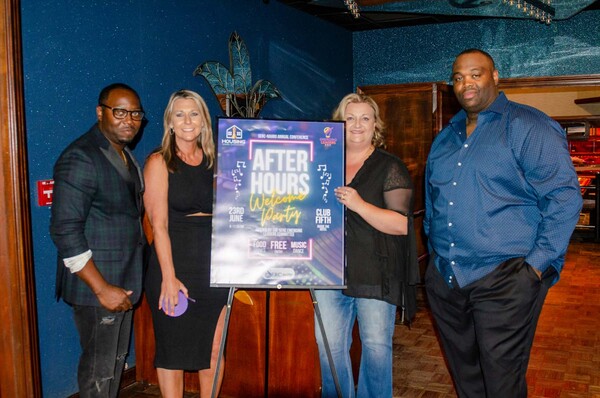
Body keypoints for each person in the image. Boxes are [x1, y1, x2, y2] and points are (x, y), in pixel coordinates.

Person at [423, 49, 583, 398]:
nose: (466, 83)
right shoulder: (445, 138)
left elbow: (565, 197)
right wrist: (433, 259)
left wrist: (535, 269)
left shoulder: (528, 125)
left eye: (476, 74)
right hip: (447, 277)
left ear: (496, 76)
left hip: (505, 277)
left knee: (501, 383)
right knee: (465, 376)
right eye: (459, 77)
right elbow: (433, 202)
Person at [314, 93, 419, 398]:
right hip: (328, 271)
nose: (357, 125)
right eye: (350, 118)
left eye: (365, 118)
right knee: (329, 347)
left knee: (375, 347)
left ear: (376, 125)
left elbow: (401, 225)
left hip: (376, 271)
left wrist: (359, 204)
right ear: (339, 123)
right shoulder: (322, 161)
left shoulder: (390, 166)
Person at [49, 83, 146, 397]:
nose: (128, 119)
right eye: (119, 111)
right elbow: (64, 230)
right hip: (98, 288)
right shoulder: (81, 157)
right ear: (100, 112)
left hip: (122, 281)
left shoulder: (122, 155)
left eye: (135, 113)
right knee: (98, 375)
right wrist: (102, 288)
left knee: (112, 368)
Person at [143, 89, 229, 398]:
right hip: (173, 264)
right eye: (179, 114)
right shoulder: (159, 162)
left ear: (204, 121)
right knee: (173, 351)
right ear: (169, 122)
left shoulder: (218, 161)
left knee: (215, 345)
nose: (187, 120)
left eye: (194, 113)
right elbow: (159, 226)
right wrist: (169, 277)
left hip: (215, 266)